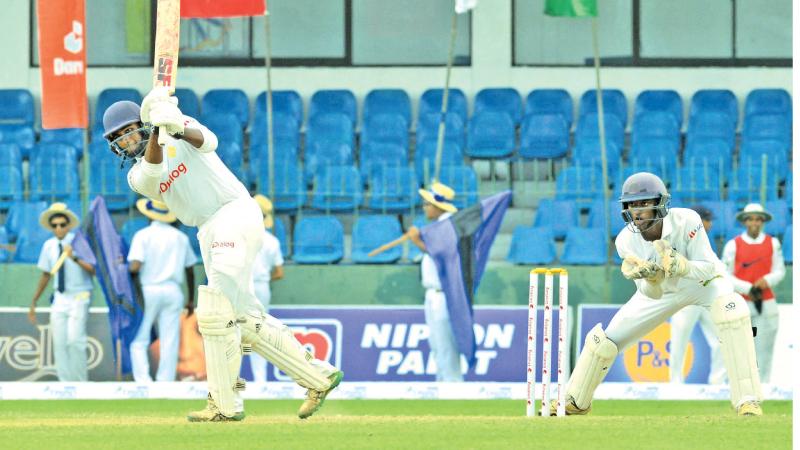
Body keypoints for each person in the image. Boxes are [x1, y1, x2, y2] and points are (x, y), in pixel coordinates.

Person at [102, 89, 342, 422]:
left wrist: (175, 124)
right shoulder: (136, 175)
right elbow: (155, 172)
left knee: (215, 309)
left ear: (139, 126)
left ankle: (224, 404)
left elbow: (209, 141)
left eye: (127, 131)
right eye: (117, 138)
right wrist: (159, 129)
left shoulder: (175, 127)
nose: (124, 141)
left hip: (233, 211)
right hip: (207, 229)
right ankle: (318, 376)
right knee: (241, 318)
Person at [552, 172, 763, 416]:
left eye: (644, 203)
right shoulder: (625, 242)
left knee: (733, 311)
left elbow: (708, 266)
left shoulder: (688, 220)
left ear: (660, 204)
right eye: (632, 205)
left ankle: (748, 400)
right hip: (662, 292)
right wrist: (651, 279)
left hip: (703, 283)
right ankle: (576, 401)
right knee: (606, 340)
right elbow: (651, 294)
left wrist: (683, 265)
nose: (637, 211)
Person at [127, 198, 197, 382]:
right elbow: (190, 269)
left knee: (139, 339)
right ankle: (164, 383)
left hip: (148, 290)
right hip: (173, 291)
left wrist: (120, 269)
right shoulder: (180, 238)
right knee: (170, 339)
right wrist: (191, 299)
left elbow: (134, 267)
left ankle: (143, 382)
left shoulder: (143, 235)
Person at [27, 203, 96, 381]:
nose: (59, 228)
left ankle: (81, 383)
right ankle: (65, 384)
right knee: (59, 342)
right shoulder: (48, 246)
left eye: (62, 224)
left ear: (68, 225)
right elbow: (45, 274)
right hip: (60, 297)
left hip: (80, 295)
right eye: (55, 225)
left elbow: (93, 270)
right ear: (51, 227)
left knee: (75, 340)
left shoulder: (80, 242)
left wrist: (74, 256)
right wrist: (34, 300)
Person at [404, 182, 463, 382]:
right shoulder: (439, 226)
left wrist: (417, 241)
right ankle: (442, 383)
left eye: (427, 204)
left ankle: (453, 386)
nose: (424, 207)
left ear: (438, 206)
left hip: (443, 294)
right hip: (433, 294)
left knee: (446, 344)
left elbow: (441, 254)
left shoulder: (448, 226)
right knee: (436, 344)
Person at [721, 203, 785, 384]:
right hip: (741, 302)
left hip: (767, 302)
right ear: (744, 222)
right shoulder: (733, 245)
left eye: (758, 219)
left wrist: (767, 280)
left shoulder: (773, 243)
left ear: (763, 221)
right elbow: (726, 274)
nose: (754, 222)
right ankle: (739, 387)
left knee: (765, 349)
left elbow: (779, 271)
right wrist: (748, 288)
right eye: (750, 219)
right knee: (739, 348)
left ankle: (764, 387)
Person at [669, 205, 725, 384]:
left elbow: (715, 266)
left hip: (707, 295)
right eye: (707, 220)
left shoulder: (707, 240)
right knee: (679, 340)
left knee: (721, 338)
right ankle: (675, 383)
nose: (709, 224)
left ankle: (717, 382)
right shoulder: (680, 237)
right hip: (686, 297)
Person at [249, 194, 285, 382]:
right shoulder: (272, 241)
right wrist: (264, 277)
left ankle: (231, 381)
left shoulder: (240, 235)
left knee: (234, 331)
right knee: (260, 334)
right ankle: (260, 381)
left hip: (241, 287)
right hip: (262, 288)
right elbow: (279, 273)